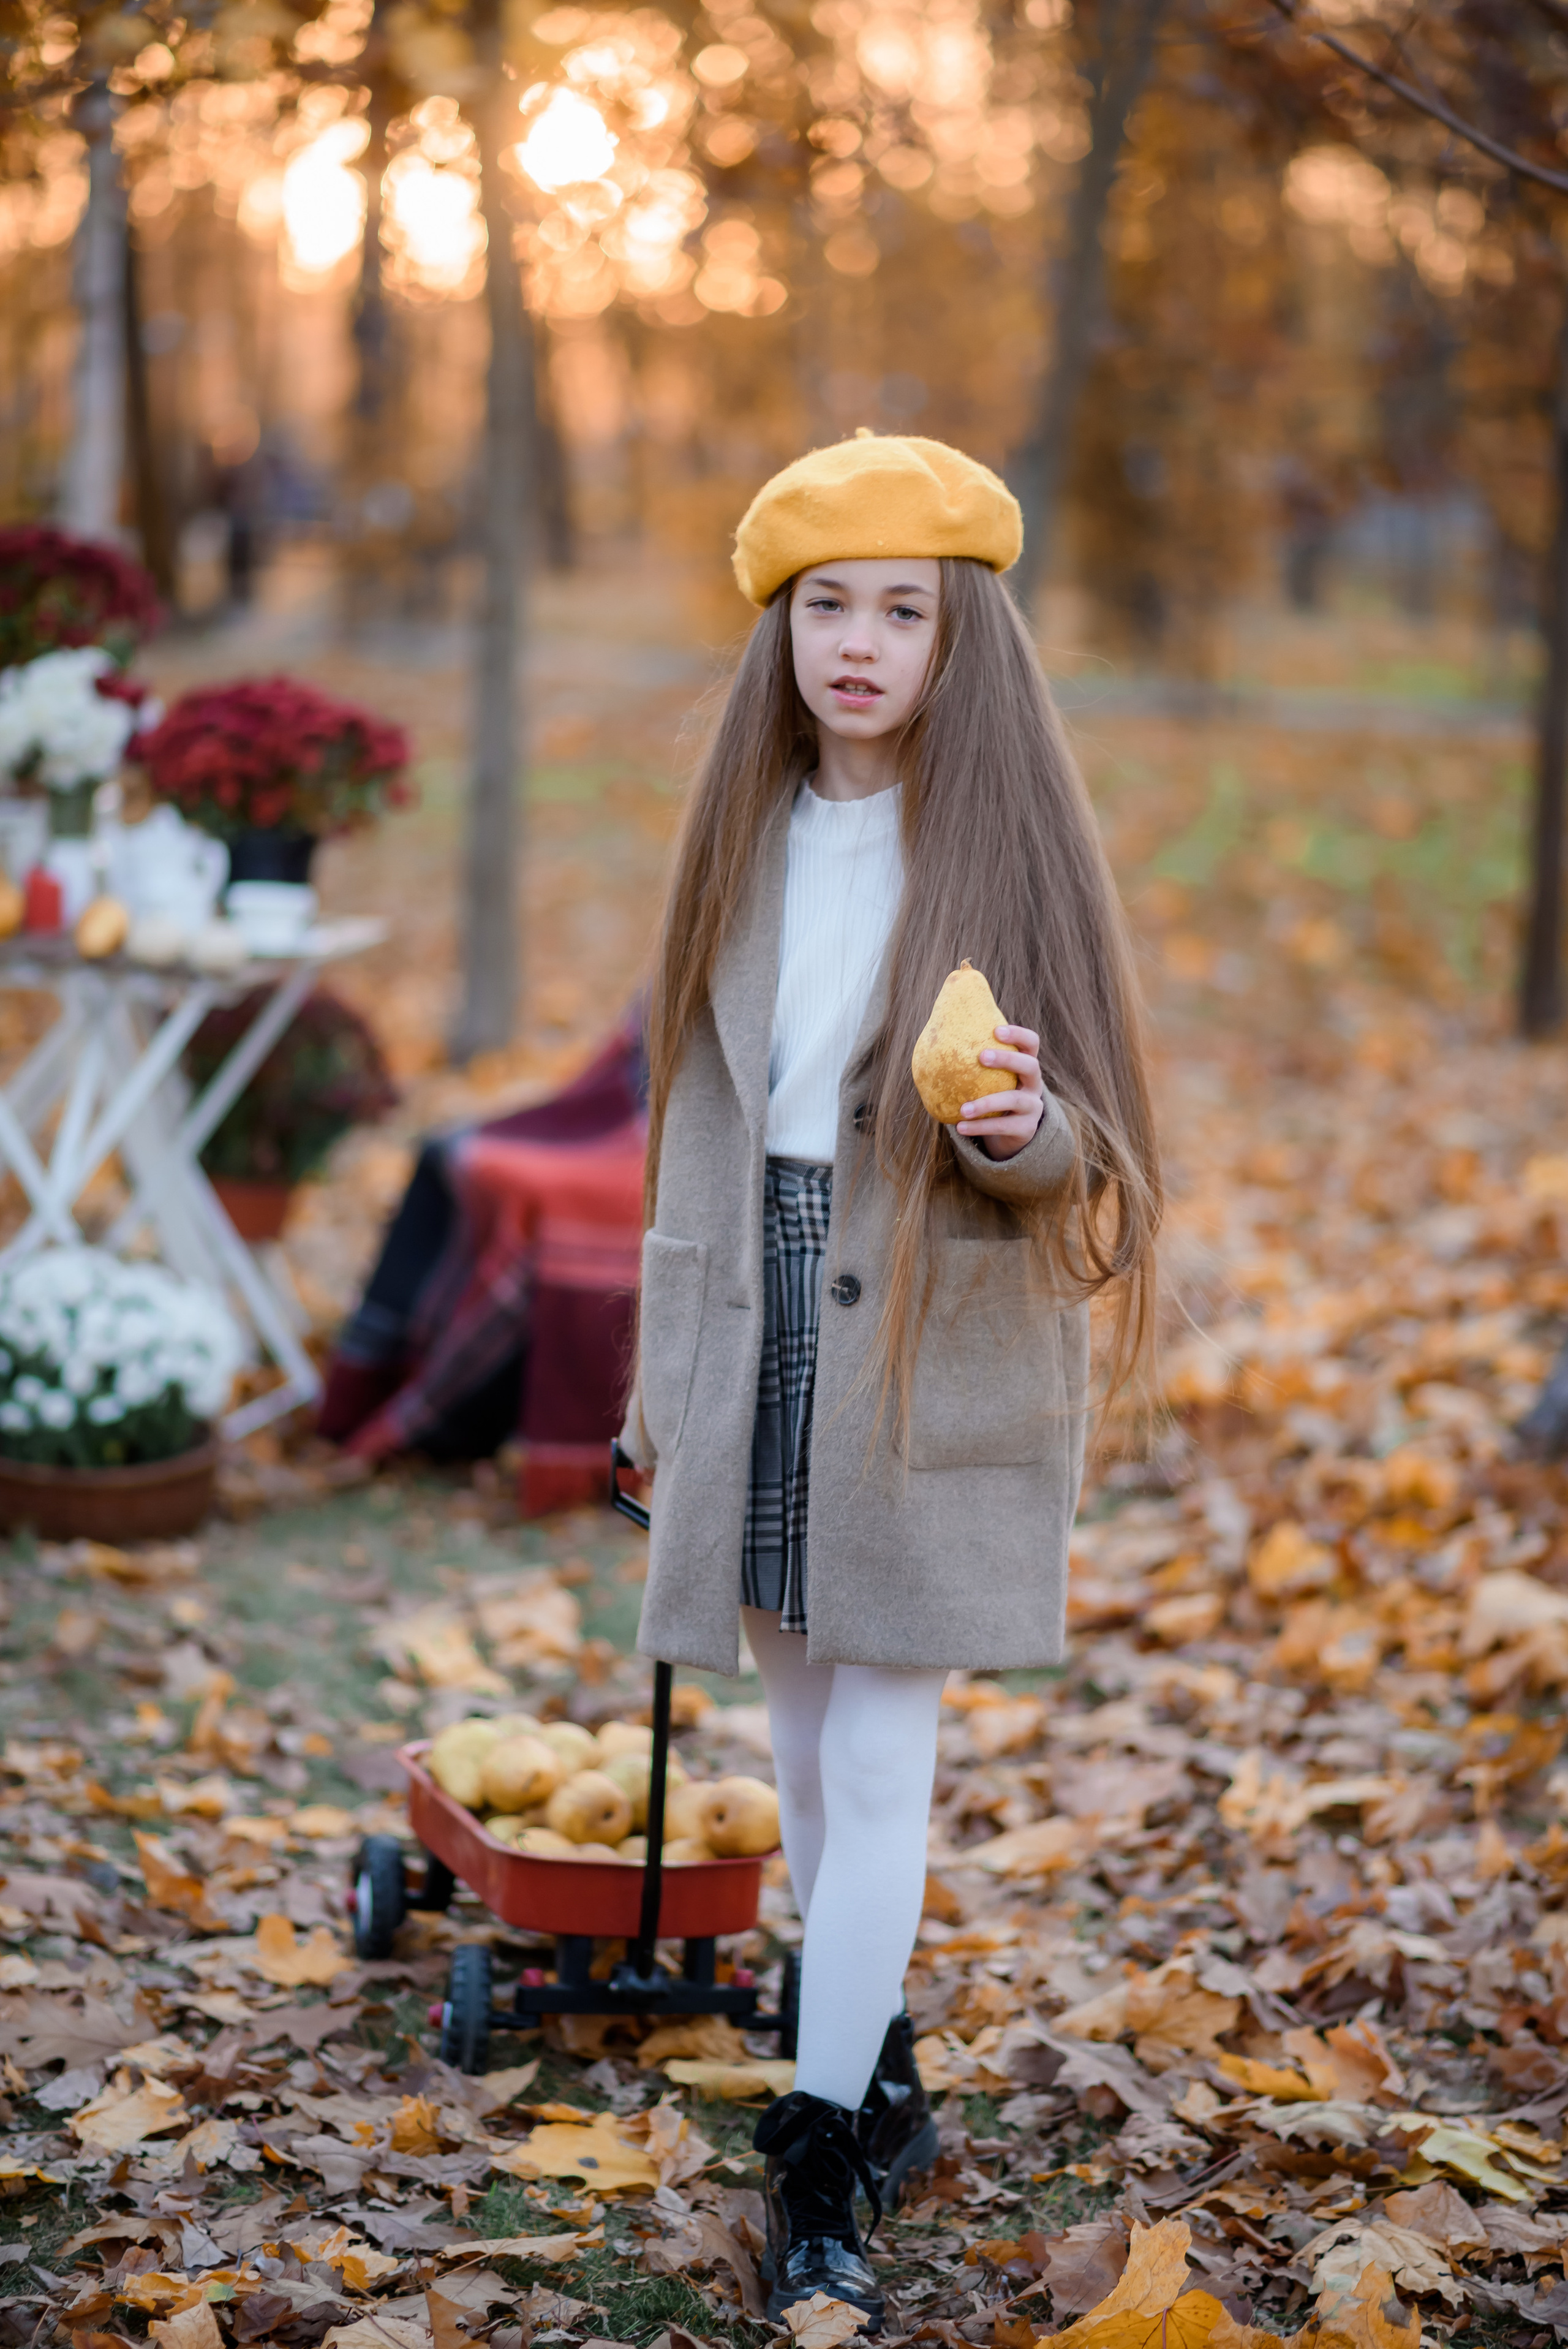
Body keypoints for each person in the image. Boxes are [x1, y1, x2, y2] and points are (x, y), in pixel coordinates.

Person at [620, 432, 1161, 2329]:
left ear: (963, 637)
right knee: (796, 1731)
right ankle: (887, 2063)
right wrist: (658, 1378)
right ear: (783, 633)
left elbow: (1088, 1142)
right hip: (754, 1312)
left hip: (930, 1321)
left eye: (900, 611)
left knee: (880, 1742)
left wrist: (1019, 1123)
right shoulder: (745, 837)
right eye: (824, 607)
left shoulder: (1002, 845)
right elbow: (693, 1133)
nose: (857, 645)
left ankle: (826, 2145)